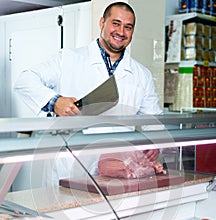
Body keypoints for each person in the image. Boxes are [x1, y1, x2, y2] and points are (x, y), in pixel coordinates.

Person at [14, 2, 162, 185]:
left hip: (118, 171)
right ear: (102, 23)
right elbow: (24, 80)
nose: (121, 32)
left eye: (128, 27)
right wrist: (55, 102)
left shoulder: (142, 74)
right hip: (71, 167)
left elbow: (153, 122)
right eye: (115, 23)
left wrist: (154, 144)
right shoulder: (68, 59)